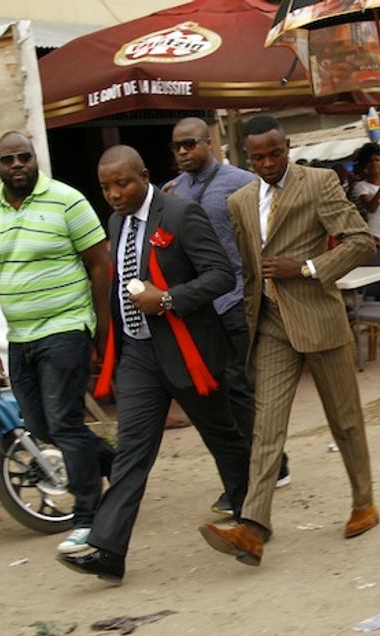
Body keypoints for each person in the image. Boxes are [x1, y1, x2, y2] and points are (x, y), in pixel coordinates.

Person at [56, 145, 251, 584]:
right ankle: (107, 550)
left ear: (143, 176)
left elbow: (220, 274)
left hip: (189, 351)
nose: (114, 194)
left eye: (122, 183)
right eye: (106, 187)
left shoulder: (181, 215)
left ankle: (250, 517)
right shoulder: (115, 221)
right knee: (131, 452)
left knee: (224, 438)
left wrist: (165, 300)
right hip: (140, 355)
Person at [198, 115, 378, 567]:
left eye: (274, 153)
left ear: (287, 146)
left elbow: (361, 241)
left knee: (345, 419)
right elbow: (248, 267)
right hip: (271, 325)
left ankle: (364, 502)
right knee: (266, 426)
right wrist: (249, 321)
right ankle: (254, 527)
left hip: (318, 316)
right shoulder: (240, 201)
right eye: (257, 157)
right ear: (246, 156)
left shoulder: (318, 183)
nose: (267, 163)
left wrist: (308, 267)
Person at [0, 131, 114, 555]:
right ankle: (119, 466)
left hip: (65, 327)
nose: (17, 165)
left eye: (24, 157)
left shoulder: (67, 200)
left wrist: (101, 332)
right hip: (20, 338)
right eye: (8, 159)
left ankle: (89, 516)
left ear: (35, 160)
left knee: (64, 422)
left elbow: (100, 265)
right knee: (40, 425)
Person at [164, 118, 290, 514]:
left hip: (237, 296)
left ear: (209, 143)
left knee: (241, 386)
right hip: (201, 307)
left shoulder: (240, 182)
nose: (183, 152)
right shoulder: (173, 192)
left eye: (189, 144)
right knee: (219, 390)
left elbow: (269, 226)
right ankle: (251, 469)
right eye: (177, 147)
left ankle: (267, 468)